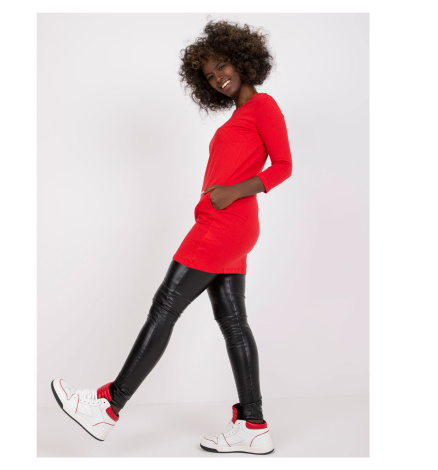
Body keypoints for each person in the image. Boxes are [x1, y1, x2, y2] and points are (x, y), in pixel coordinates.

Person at [51, 18, 292, 455]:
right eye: (209, 76)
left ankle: (107, 406)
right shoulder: (239, 115)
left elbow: (283, 166)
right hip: (231, 227)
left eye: (222, 66)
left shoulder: (263, 106)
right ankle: (253, 425)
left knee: (165, 307)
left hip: (224, 225)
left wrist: (230, 192)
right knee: (233, 322)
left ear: (241, 59)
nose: (218, 78)